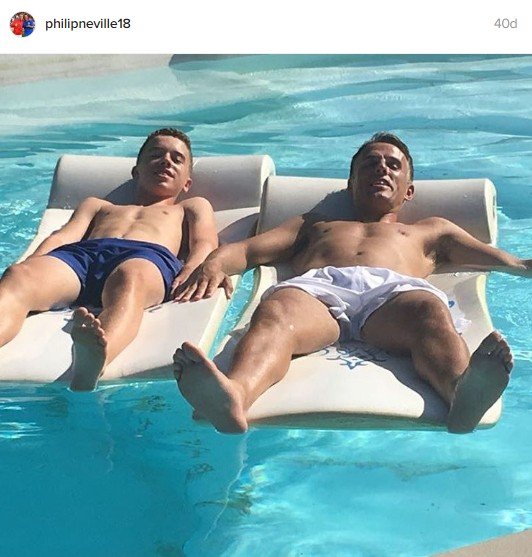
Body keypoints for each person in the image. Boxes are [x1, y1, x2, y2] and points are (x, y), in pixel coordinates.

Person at [173, 132, 530, 435]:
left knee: (430, 311)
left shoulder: (430, 229)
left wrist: (523, 266)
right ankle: (235, 395)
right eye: (370, 164)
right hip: (318, 293)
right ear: (350, 183)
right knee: (276, 311)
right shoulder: (314, 224)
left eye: (393, 165)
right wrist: (215, 263)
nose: (382, 169)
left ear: (408, 190)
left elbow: (508, 261)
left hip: (395, 296)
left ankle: (460, 393)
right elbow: (248, 251)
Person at [0, 128, 217, 391]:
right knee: (19, 276)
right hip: (83, 257)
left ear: (187, 183)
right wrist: (32, 263)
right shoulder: (98, 205)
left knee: (130, 279)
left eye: (177, 159)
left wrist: (192, 269)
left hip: (147, 256)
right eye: (156, 154)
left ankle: (95, 359)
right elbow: (63, 236)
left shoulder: (191, 206)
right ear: (136, 171)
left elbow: (204, 242)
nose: (166, 162)